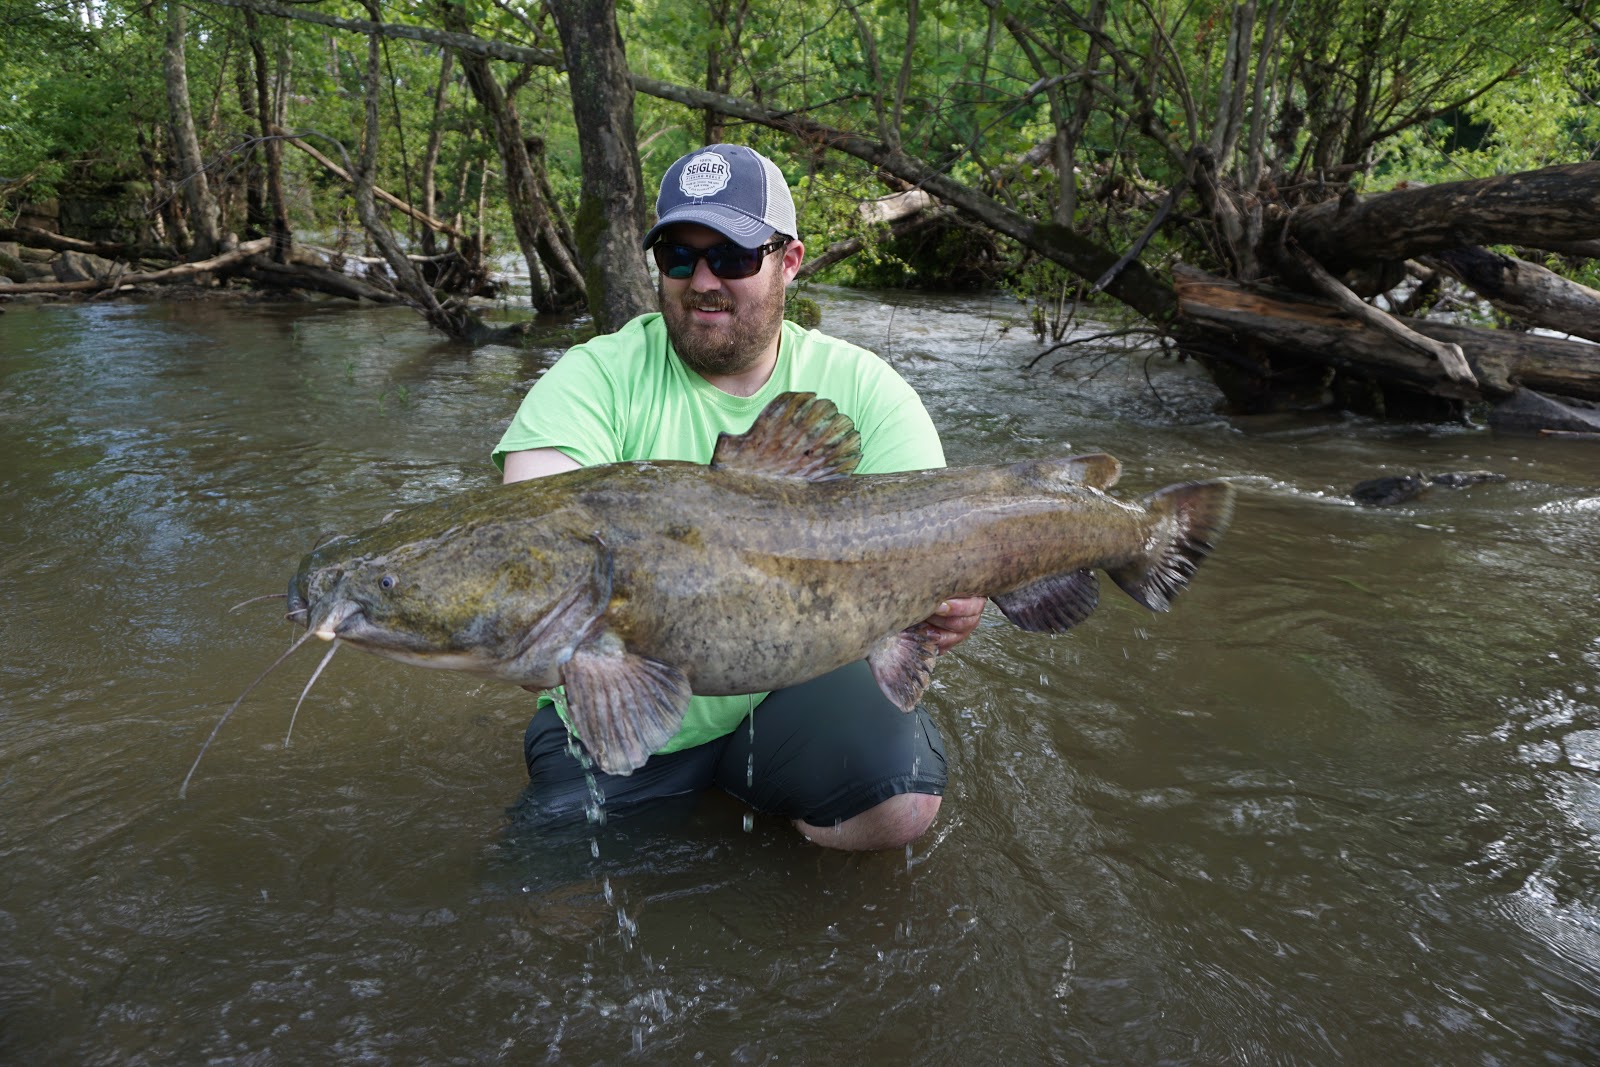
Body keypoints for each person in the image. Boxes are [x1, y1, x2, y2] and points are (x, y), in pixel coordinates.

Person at [492, 143, 984, 850]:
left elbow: (940, 547)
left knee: (898, 798)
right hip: (612, 711)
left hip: (789, 705)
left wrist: (954, 597)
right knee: (546, 891)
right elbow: (526, 553)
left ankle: (779, 824)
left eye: (732, 256)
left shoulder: (868, 390)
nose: (703, 281)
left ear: (790, 261)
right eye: (679, 257)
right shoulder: (592, 378)